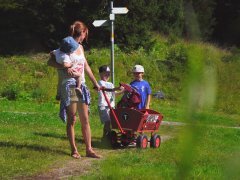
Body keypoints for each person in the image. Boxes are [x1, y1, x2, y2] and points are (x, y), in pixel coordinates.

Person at [48, 21, 101, 159]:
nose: (85, 36)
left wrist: (96, 83)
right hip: (70, 85)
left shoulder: (81, 48)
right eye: (85, 33)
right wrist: (65, 68)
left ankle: (89, 149)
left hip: (81, 84)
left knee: (85, 119)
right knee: (72, 119)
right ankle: (74, 150)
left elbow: (86, 67)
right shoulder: (66, 46)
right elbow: (50, 62)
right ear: (82, 32)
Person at [97, 65, 123, 138]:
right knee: (107, 122)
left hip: (111, 106)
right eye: (105, 73)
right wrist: (117, 88)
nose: (107, 75)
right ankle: (109, 137)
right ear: (100, 74)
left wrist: (123, 91)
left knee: (110, 122)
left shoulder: (111, 84)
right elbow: (105, 89)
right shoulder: (100, 82)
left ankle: (105, 137)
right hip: (103, 105)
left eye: (108, 73)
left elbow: (114, 94)